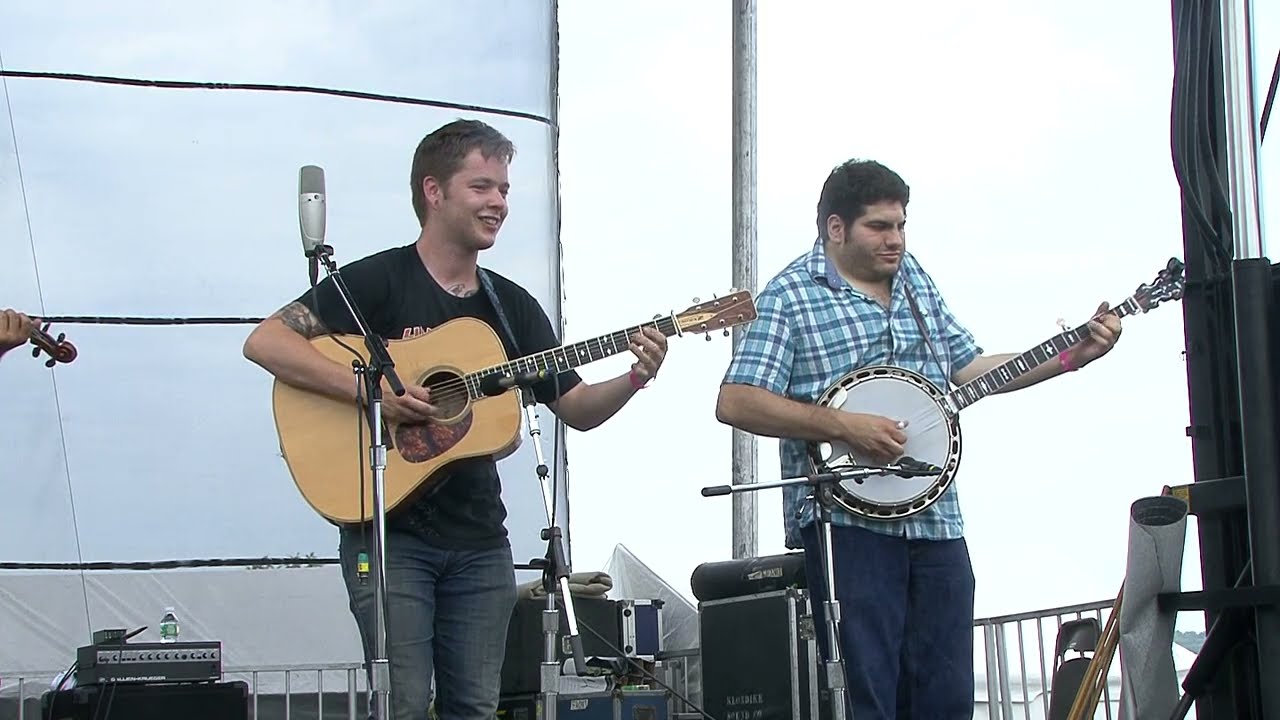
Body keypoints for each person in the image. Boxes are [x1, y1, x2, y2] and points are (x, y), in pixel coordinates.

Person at [242, 119, 668, 720]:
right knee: (406, 706)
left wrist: (634, 377)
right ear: (434, 192)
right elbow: (266, 342)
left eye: (504, 190)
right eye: (482, 187)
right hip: (391, 537)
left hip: (479, 542)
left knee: (474, 708)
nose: (498, 202)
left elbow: (576, 408)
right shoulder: (378, 281)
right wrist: (372, 395)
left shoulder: (511, 306)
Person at [714, 159, 1121, 719]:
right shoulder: (789, 295)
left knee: (946, 692)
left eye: (901, 226)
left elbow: (971, 368)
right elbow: (736, 399)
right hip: (847, 526)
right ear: (836, 229)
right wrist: (844, 426)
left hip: (936, 517)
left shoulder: (914, 282)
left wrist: (1071, 356)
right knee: (867, 696)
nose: (896, 239)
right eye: (880, 227)